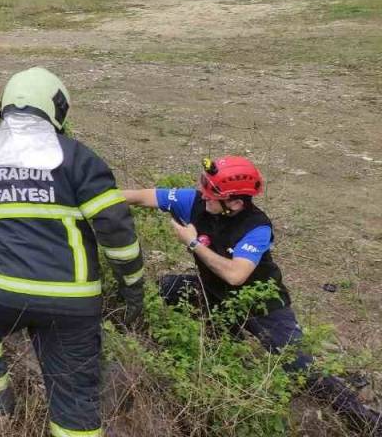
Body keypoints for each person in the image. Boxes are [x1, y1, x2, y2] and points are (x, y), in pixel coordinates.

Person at [0, 67, 145, 437]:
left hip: (3, 293)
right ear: (57, 109)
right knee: (75, 399)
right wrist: (132, 288)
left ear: (5, 108)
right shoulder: (80, 160)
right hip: (74, 303)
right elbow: (117, 233)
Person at [124, 156, 382, 434]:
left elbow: (235, 275)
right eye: (204, 186)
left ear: (235, 203)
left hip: (262, 306)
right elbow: (142, 196)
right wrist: (97, 196)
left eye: (211, 193)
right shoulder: (197, 201)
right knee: (163, 289)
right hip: (214, 293)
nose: (203, 194)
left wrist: (193, 243)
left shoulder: (257, 227)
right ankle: (225, 339)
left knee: (301, 369)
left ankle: (368, 423)